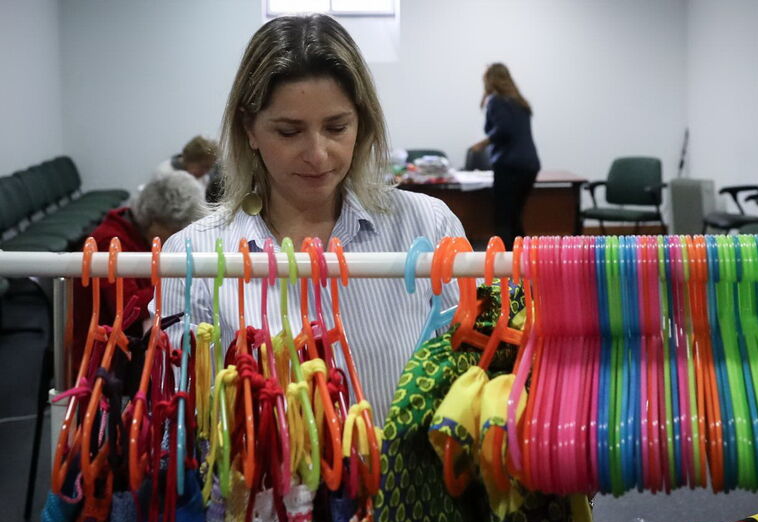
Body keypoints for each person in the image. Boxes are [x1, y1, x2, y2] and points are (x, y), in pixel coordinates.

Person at [155, 14, 465, 422]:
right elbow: (178, 428)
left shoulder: (428, 228)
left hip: (395, 487)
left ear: (362, 122)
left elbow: (465, 389)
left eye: (337, 128)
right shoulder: (193, 255)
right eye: (288, 132)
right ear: (249, 129)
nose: (317, 155)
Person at [73, 171, 207, 375]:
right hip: (99, 363)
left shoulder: (138, 232)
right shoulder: (109, 242)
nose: (178, 237)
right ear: (154, 223)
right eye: (175, 230)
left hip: (125, 349)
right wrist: (177, 282)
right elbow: (128, 304)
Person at [471, 63, 540, 250]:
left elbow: (503, 130)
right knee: (515, 216)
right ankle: (523, 262)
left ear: (489, 80)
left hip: (509, 165)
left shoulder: (496, 101)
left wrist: (483, 143)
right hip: (529, 165)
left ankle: (505, 267)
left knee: (503, 218)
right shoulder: (519, 101)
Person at [154, 135, 219, 193]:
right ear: (188, 158)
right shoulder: (164, 174)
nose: (206, 172)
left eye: (210, 167)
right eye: (203, 166)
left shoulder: (205, 177)